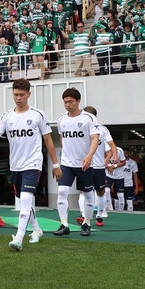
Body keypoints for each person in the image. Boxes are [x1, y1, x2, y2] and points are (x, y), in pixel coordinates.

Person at [0, 79, 61, 251]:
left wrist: (56, 164)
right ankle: (36, 229)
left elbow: (48, 140)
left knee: (25, 198)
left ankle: (19, 237)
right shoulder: (6, 116)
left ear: (29, 94)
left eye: (22, 95)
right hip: (15, 166)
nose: (18, 98)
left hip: (33, 164)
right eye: (15, 94)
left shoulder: (38, 115)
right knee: (25, 201)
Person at [54, 88, 100, 237]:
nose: (68, 105)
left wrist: (89, 156)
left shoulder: (89, 118)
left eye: (71, 102)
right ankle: (64, 224)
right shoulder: (61, 119)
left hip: (84, 164)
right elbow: (62, 137)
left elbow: (95, 138)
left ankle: (86, 223)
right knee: (62, 191)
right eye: (65, 102)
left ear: (78, 101)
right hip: (67, 164)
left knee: (88, 194)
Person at [76, 106, 118, 229]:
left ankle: (99, 216)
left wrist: (114, 154)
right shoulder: (79, 127)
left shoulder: (102, 129)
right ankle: (85, 216)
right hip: (85, 165)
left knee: (100, 192)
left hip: (98, 166)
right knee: (83, 191)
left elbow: (111, 144)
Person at [105, 145, 127, 211]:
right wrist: (109, 166)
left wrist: (115, 166)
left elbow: (124, 162)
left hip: (119, 176)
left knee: (120, 195)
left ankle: (121, 211)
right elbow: (101, 161)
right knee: (106, 191)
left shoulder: (119, 150)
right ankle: (110, 209)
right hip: (108, 175)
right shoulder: (104, 150)